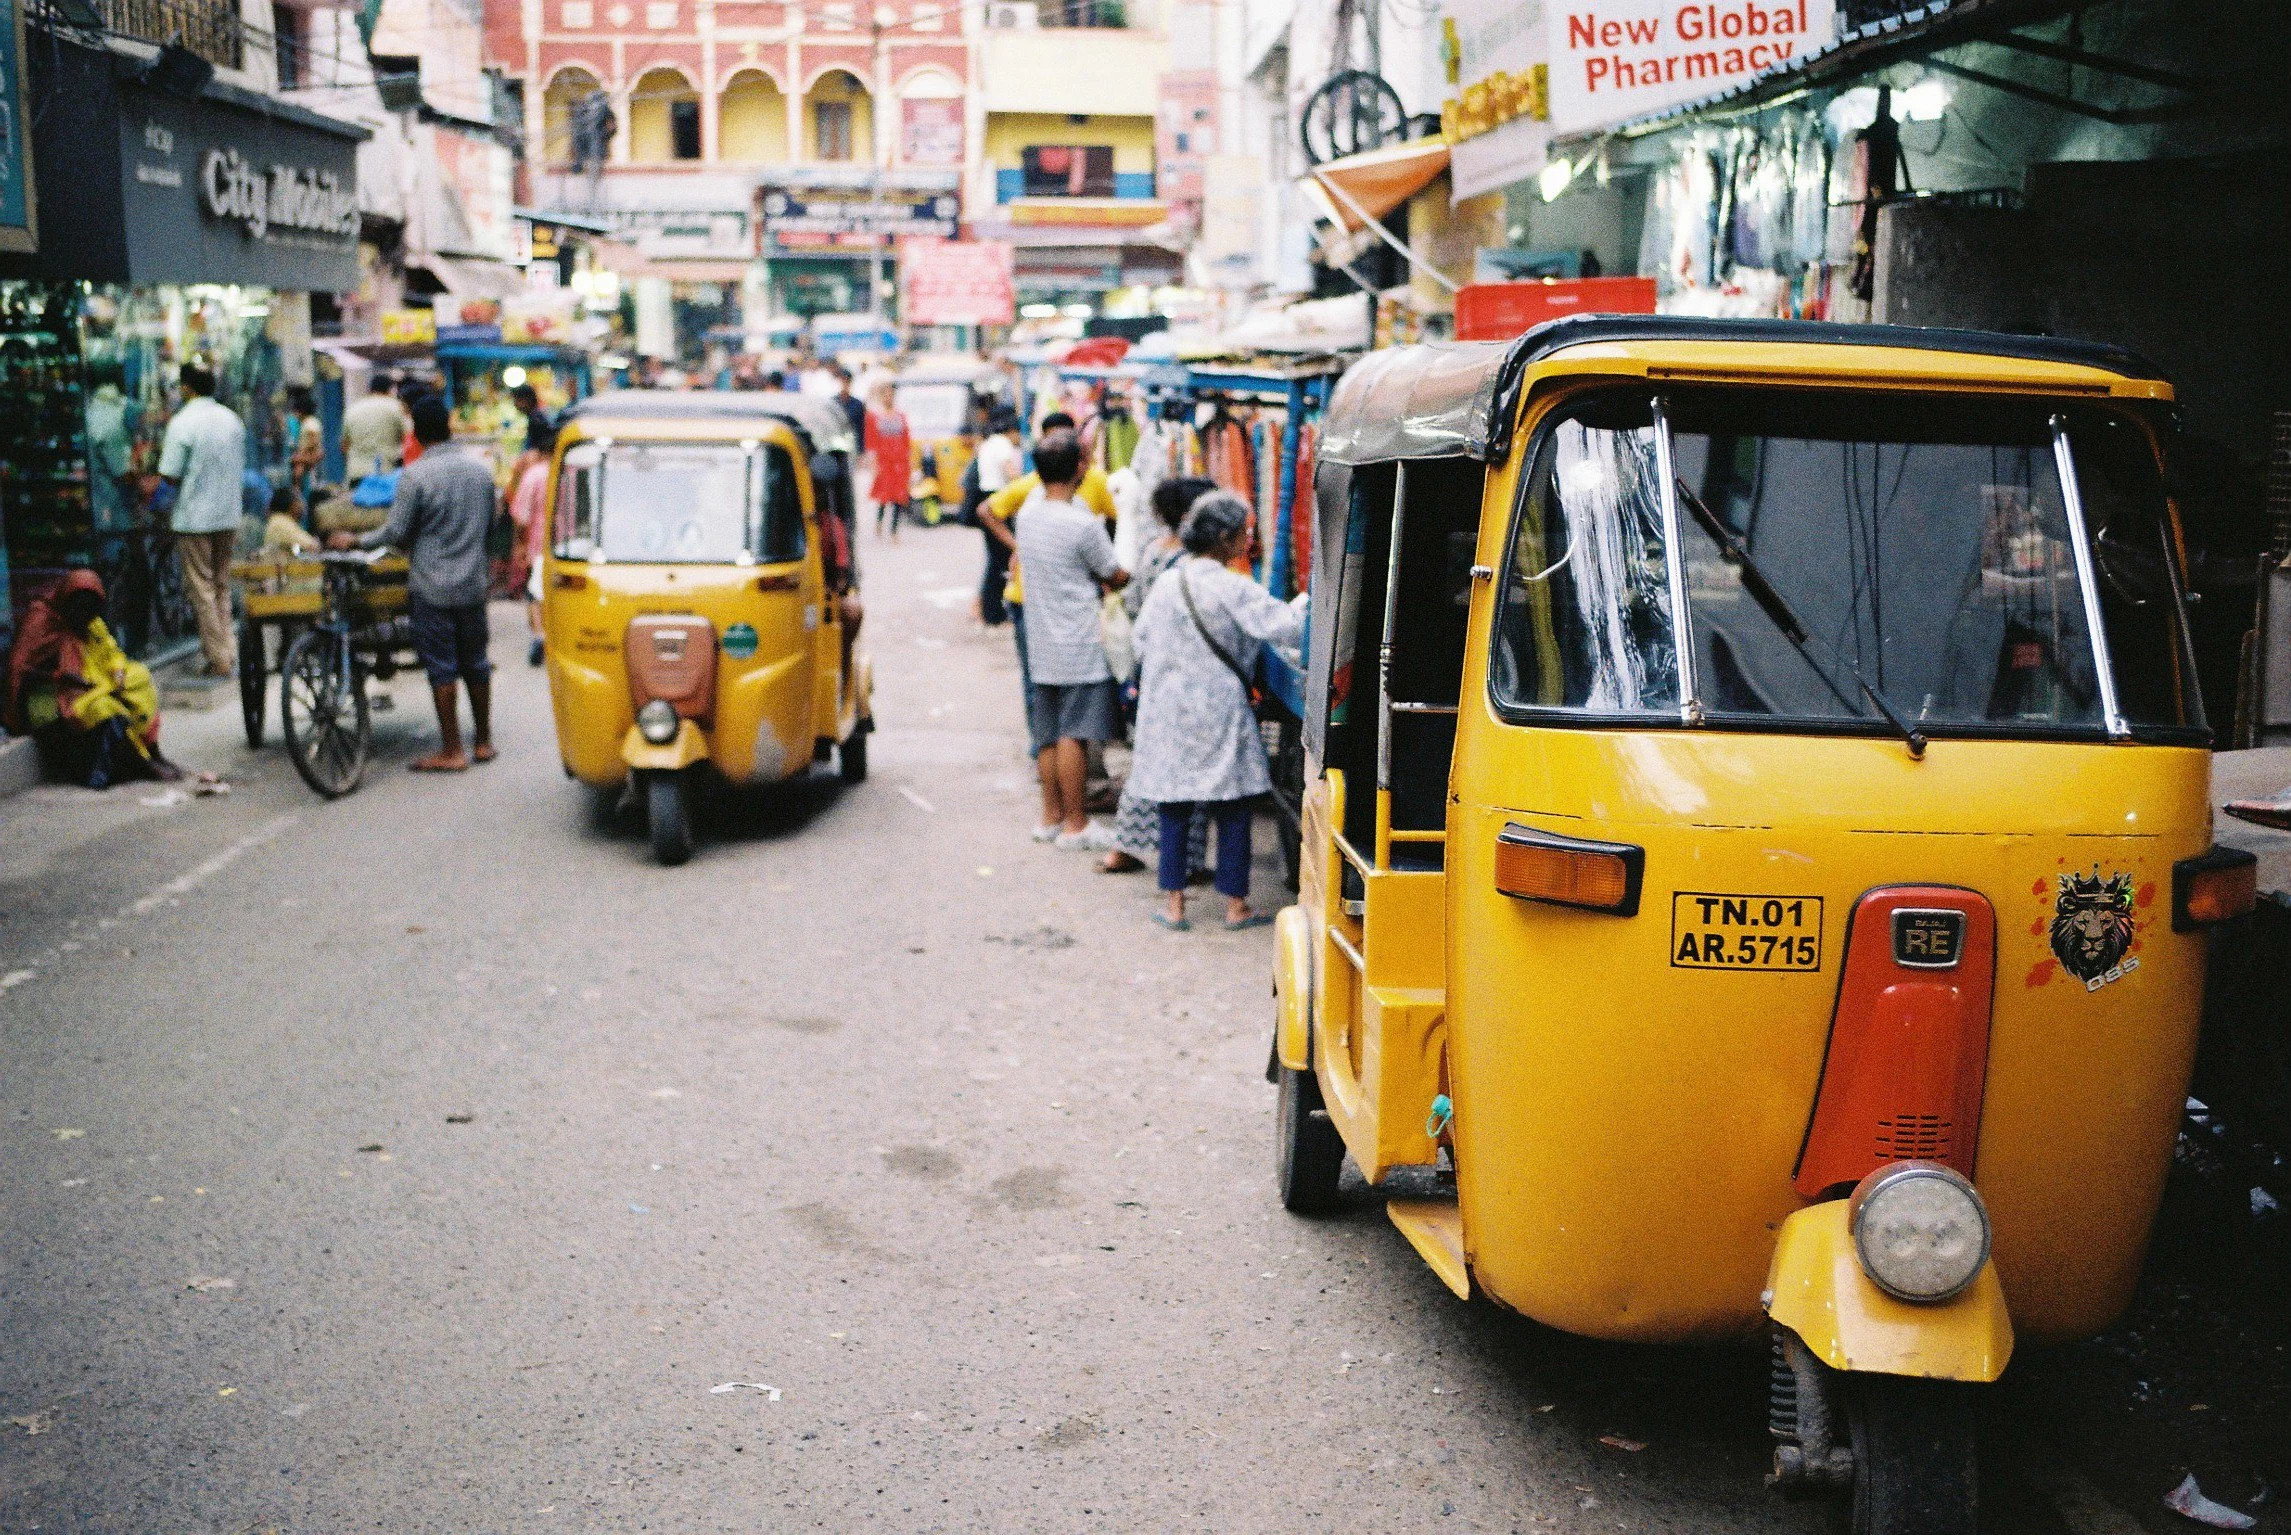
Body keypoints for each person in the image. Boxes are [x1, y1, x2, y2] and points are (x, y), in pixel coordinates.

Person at [1128, 492, 1305, 931]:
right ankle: (1234, 906)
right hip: (1218, 711)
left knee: (1174, 802)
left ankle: (1174, 904)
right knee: (1232, 804)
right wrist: (1309, 599)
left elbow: (1141, 641)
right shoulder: (1232, 586)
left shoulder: (1169, 582)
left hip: (1168, 709)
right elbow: (1286, 627)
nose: (1249, 539)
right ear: (1226, 539)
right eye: (1244, 532)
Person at [328, 395, 498, 772]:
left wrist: (355, 540)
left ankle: (452, 750)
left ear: (416, 435)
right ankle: (483, 742)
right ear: (449, 427)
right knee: (476, 662)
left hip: (432, 589)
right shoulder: (481, 474)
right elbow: (491, 530)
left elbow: (396, 531)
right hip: (472, 585)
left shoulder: (415, 477)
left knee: (442, 667)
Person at [1012, 430, 1127, 849]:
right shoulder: (1083, 525)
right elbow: (1113, 574)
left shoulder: (1027, 516)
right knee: (1073, 734)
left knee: (1047, 732)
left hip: (1041, 637)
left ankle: (1050, 817)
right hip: (1079, 641)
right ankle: (1077, 825)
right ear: (1079, 467)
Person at [1100, 475, 1218, 874]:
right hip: (1187, 675)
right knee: (1193, 767)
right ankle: (1186, 862)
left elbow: (1133, 604)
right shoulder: (1191, 565)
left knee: (1148, 760)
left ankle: (1126, 847)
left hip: (1149, 672)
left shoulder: (1153, 551)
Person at [4, 570, 179, 788]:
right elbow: (21, 668)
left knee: (139, 678)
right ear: (67, 603)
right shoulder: (43, 621)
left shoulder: (92, 622)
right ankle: (141, 763)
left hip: (88, 684)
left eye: (91, 610)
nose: (85, 615)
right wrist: (65, 680)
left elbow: (110, 651)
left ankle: (153, 750)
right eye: (80, 609)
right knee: (104, 707)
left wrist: (117, 672)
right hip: (50, 697)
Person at [158, 363, 246, 679]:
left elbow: (170, 473)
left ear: (186, 388)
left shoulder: (183, 423)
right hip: (227, 515)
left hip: (195, 518)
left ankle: (219, 658)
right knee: (221, 585)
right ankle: (229, 650)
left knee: (202, 589)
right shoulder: (232, 420)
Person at [510, 420, 557, 665]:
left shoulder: (534, 475)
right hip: (563, 546)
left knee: (535, 593)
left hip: (538, 545)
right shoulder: (567, 470)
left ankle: (540, 634)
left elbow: (521, 516)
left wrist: (519, 545)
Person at [971, 407, 1022, 625]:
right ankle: (993, 612)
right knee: (1001, 559)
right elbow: (1011, 474)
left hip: (986, 497)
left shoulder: (988, 443)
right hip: (998, 502)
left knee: (995, 558)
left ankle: (990, 610)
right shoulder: (1003, 444)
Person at [863, 381, 913, 541]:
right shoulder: (874, 417)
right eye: (886, 394)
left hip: (899, 462)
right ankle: (879, 523)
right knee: (884, 497)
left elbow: (906, 439)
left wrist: (909, 461)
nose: (889, 397)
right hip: (884, 462)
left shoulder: (901, 416)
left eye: (891, 395)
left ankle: (894, 530)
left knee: (899, 497)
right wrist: (873, 463)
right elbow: (871, 441)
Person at [343, 371, 408, 478]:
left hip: (357, 473)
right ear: (390, 390)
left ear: (370, 389)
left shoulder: (353, 409)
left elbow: (345, 445)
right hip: (387, 473)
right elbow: (407, 438)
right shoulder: (396, 407)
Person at [287, 386, 324, 510]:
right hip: (306, 453)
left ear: (301, 411)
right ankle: (297, 492)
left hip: (307, 453)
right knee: (298, 471)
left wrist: (305, 452)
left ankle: (297, 493)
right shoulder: (306, 423)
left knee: (298, 472)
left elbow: (313, 439)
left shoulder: (310, 423)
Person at [262, 483, 319, 554]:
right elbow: (311, 546)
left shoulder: (283, 520)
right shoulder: (280, 523)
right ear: (293, 504)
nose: (303, 504)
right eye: (300, 499)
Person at [831, 364, 867, 447]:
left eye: (846, 381)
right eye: (841, 381)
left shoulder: (858, 404)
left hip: (854, 445)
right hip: (837, 446)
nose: (844, 384)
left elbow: (862, 430)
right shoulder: (832, 403)